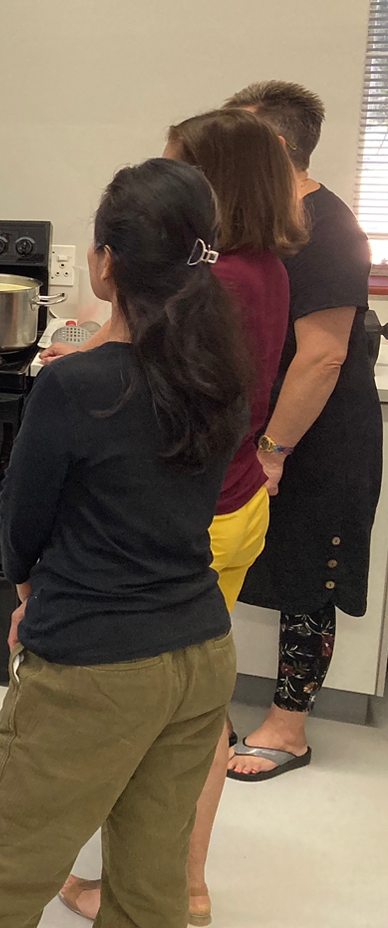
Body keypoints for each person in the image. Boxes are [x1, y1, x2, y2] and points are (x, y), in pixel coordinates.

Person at [0, 158, 246, 928]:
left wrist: (32, 599)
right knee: (151, 891)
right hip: (202, 655)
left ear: (107, 264)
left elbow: (24, 522)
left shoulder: (74, 386)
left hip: (93, 668)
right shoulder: (222, 375)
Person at [51, 110, 305, 924]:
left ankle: (174, 888)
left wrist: (78, 356)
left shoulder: (213, 281)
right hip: (235, 502)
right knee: (195, 704)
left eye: (177, 169)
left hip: (189, 516)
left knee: (164, 716)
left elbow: (139, 378)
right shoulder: (263, 268)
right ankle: (181, 884)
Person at [223, 81, 382, 779]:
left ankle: (289, 728)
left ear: (278, 148)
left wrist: (274, 452)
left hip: (320, 433)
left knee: (309, 576)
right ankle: (199, 708)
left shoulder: (330, 228)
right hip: (262, 422)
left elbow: (323, 355)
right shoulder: (259, 221)